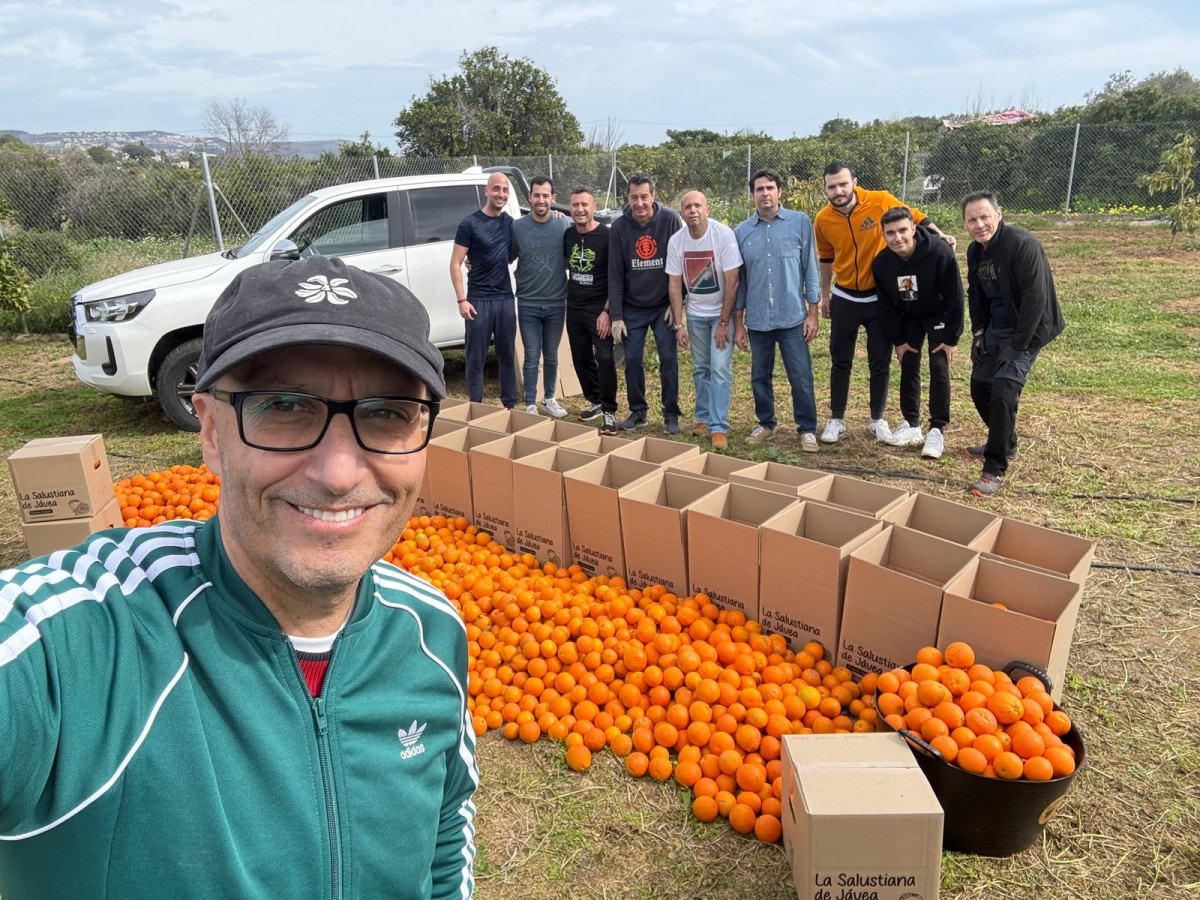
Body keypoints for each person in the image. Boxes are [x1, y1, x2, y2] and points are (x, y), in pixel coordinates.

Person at [0, 256, 477, 899]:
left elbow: (443, 841)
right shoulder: (84, 639)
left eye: (388, 412)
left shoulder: (430, 633)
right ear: (210, 429)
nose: (338, 473)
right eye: (283, 406)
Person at [814, 160, 956, 445]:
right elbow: (826, 258)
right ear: (826, 189)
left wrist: (940, 235)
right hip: (845, 296)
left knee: (880, 361)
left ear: (855, 182)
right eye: (832, 186)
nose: (838, 190)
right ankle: (837, 419)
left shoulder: (879, 201)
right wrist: (825, 294)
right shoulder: (822, 219)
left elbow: (916, 216)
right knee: (840, 360)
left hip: (879, 296)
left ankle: (877, 419)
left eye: (843, 184)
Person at [962, 191, 1064, 496]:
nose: (979, 224)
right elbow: (975, 294)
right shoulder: (975, 251)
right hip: (996, 329)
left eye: (984, 217)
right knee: (980, 386)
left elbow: (1036, 299)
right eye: (972, 220)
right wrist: (979, 332)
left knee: (1004, 390)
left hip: (1028, 329)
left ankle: (994, 468)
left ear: (999, 214)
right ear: (965, 224)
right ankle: (1006, 440)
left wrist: (1018, 347)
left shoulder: (1022, 245)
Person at [733, 168, 822, 451]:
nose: (765, 193)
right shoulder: (742, 232)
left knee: (801, 375)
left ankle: (806, 428)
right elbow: (740, 282)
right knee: (760, 376)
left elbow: (810, 267)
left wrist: (813, 312)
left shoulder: (799, 223)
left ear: (780, 191)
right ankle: (766, 424)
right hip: (758, 320)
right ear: (752, 195)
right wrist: (738, 323)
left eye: (770, 188)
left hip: (793, 317)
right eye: (759, 189)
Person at [872, 206, 965, 460]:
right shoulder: (882, 263)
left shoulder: (939, 252)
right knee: (909, 362)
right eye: (890, 233)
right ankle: (912, 424)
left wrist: (951, 338)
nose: (897, 237)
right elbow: (886, 305)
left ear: (914, 228)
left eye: (903, 230)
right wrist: (898, 340)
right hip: (908, 315)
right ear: (883, 234)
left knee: (938, 364)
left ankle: (937, 429)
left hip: (938, 314)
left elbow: (956, 297)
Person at [607, 172, 684, 433]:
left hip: (663, 307)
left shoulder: (670, 220)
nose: (639, 203)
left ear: (653, 196)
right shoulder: (619, 228)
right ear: (627, 199)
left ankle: (671, 413)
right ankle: (638, 411)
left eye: (644, 197)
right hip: (633, 308)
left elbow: (681, 265)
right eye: (633, 198)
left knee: (668, 358)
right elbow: (615, 274)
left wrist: (677, 304)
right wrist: (616, 315)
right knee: (632, 359)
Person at [666, 190, 743, 451]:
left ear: (707, 210)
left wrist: (724, 322)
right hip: (696, 315)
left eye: (697, 205)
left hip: (721, 315)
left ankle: (719, 426)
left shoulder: (723, 235)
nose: (693, 210)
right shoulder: (677, 241)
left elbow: (733, 282)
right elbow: (675, 286)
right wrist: (679, 324)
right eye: (687, 207)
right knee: (701, 368)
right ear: (681, 214)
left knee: (720, 368)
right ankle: (703, 417)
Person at [451, 170, 518, 408]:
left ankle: (510, 405)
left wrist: (558, 216)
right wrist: (462, 300)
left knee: (507, 356)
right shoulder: (469, 224)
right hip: (478, 300)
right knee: (475, 358)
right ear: (487, 191)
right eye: (496, 188)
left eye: (505, 190)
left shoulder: (511, 224)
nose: (501, 194)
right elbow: (455, 264)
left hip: (505, 300)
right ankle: (475, 406)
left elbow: (511, 255)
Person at [512, 175, 572, 418]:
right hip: (528, 303)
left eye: (545, 195)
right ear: (530, 197)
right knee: (531, 355)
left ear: (553, 199)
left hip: (557, 302)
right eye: (536, 195)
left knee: (552, 354)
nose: (540, 200)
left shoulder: (564, 224)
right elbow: (503, 255)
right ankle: (529, 404)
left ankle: (549, 398)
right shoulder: (517, 227)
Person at [564, 185, 621, 435]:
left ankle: (609, 410)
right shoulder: (568, 236)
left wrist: (607, 311)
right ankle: (595, 401)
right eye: (575, 205)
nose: (580, 209)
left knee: (606, 358)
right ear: (570, 208)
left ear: (594, 208)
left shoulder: (607, 236)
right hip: (574, 307)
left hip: (599, 309)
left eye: (584, 204)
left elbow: (616, 276)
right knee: (580, 358)